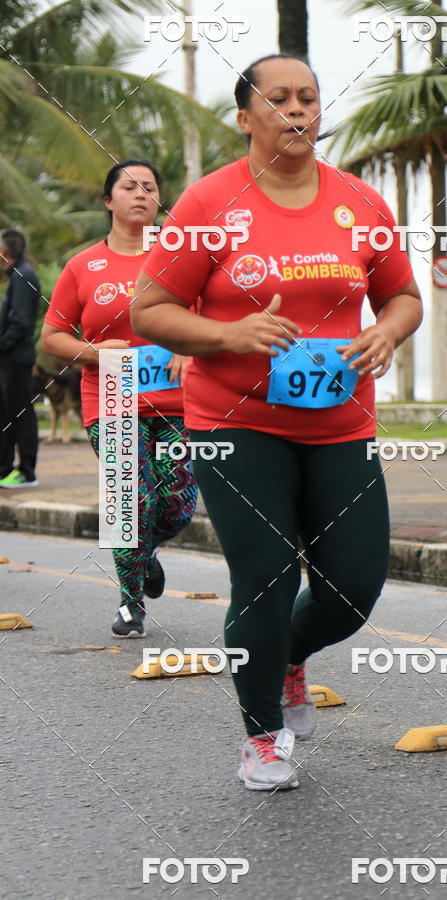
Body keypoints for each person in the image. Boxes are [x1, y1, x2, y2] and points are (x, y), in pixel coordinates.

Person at [131, 55, 423, 790]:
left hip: (342, 424)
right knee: (263, 577)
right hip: (236, 424)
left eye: (309, 98)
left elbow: (403, 297)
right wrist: (230, 334)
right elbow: (149, 311)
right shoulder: (207, 204)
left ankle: (288, 656)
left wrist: (387, 331)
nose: (297, 110)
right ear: (245, 116)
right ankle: (261, 738)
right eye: (279, 98)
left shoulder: (361, 202)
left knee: (352, 589)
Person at [41, 159, 199, 637]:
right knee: (131, 501)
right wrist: (94, 351)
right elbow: (52, 336)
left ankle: (144, 554)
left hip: (176, 403)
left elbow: (211, 317)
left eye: (149, 187)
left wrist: (188, 346)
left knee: (176, 506)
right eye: (129, 187)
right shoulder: (82, 266)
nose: (141, 194)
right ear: (109, 200)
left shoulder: (181, 258)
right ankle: (131, 605)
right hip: (110, 400)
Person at [0, 229, 41, 488]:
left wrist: (2, 345)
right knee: (7, 414)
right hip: (10, 358)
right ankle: (5, 469)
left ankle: (26, 472)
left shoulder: (22, 275)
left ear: (3, 252)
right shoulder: (17, 275)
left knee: (21, 413)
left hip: (16, 358)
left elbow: (20, 322)